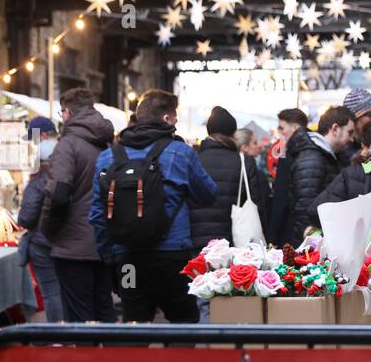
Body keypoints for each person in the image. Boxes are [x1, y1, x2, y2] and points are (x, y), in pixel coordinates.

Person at [88, 89, 219, 323]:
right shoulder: (181, 153)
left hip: (128, 259)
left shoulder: (108, 157)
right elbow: (209, 195)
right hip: (173, 257)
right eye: (175, 118)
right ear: (167, 119)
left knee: (135, 324)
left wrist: (110, 258)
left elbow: (97, 216)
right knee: (184, 323)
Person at [42, 87, 117, 322]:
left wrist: (49, 229)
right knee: (104, 308)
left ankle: (86, 358)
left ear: (69, 112)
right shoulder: (107, 143)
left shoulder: (69, 144)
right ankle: (108, 358)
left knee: (79, 315)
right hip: (104, 239)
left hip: (72, 244)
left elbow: (59, 193)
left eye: (62, 111)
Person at [191, 106, 271, 246]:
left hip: (196, 239)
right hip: (233, 242)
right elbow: (257, 204)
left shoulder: (193, 159)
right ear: (233, 133)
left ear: (209, 130)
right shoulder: (243, 162)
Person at [282, 106, 354, 245]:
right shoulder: (313, 158)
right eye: (349, 132)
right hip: (309, 245)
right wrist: (308, 247)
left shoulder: (327, 156)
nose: (351, 139)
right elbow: (304, 208)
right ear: (335, 129)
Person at [17, 117, 63, 321]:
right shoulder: (71, 157)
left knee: (52, 292)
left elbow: (27, 215)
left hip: (43, 239)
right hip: (69, 236)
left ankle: (59, 337)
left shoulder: (44, 166)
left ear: (43, 136)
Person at [266, 107, 309, 244]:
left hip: (291, 228)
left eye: (282, 128)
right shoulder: (317, 148)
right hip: (313, 228)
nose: (279, 132)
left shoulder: (289, 153)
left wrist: (272, 237)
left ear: (295, 127)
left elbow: (281, 197)